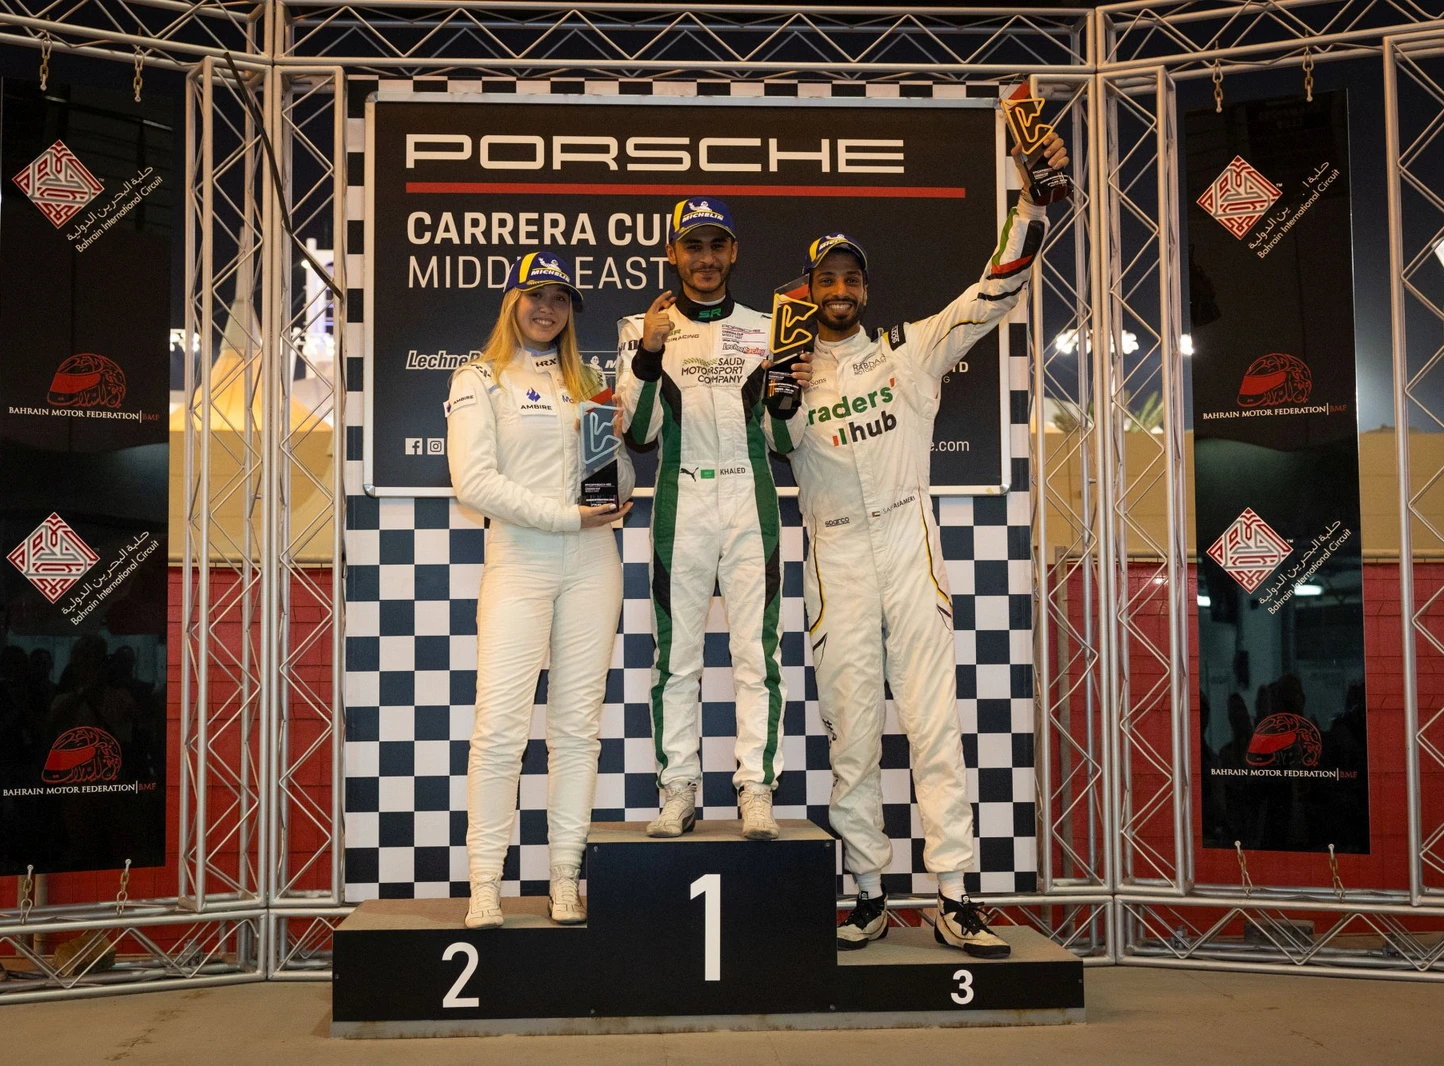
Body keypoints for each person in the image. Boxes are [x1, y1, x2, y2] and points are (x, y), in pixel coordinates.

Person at [768, 134, 1070, 957]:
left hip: (910, 541)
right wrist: (778, 393)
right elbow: (768, 445)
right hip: (833, 554)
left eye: (851, 278)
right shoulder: (785, 374)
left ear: (866, 289)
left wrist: (1031, 203)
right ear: (808, 291)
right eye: (825, 279)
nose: (839, 290)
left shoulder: (912, 347)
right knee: (853, 736)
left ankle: (956, 897)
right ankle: (867, 895)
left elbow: (996, 289)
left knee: (936, 726)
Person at [446, 251, 635, 929]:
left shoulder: (589, 382)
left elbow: (614, 485)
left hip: (593, 564)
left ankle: (565, 879)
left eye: (560, 299)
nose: (548, 309)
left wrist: (615, 461)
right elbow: (474, 483)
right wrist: (566, 517)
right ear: (512, 301)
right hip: (520, 562)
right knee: (500, 731)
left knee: (577, 732)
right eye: (536, 296)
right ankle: (485, 886)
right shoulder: (479, 378)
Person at [615, 198, 785, 841]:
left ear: (733, 251)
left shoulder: (768, 328)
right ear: (673, 254)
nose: (705, 258)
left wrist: (784, 393)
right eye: (693, 245)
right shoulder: (642, 327)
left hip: (749, 498)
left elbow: (783, 441)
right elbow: (637, 434)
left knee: (756, 656)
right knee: (676, 659)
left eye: (717, 244)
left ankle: (756, 790)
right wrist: (649, 354)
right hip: (679, 500)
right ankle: (678, 789)